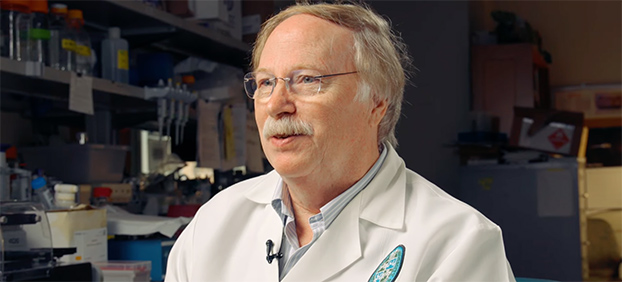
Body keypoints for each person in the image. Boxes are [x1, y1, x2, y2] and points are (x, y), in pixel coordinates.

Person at [166, 2, 515, 281]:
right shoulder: (214, 222)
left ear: (376, 100)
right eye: (265, 82)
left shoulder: (458, 242)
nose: (276, 104)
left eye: (306, 79)